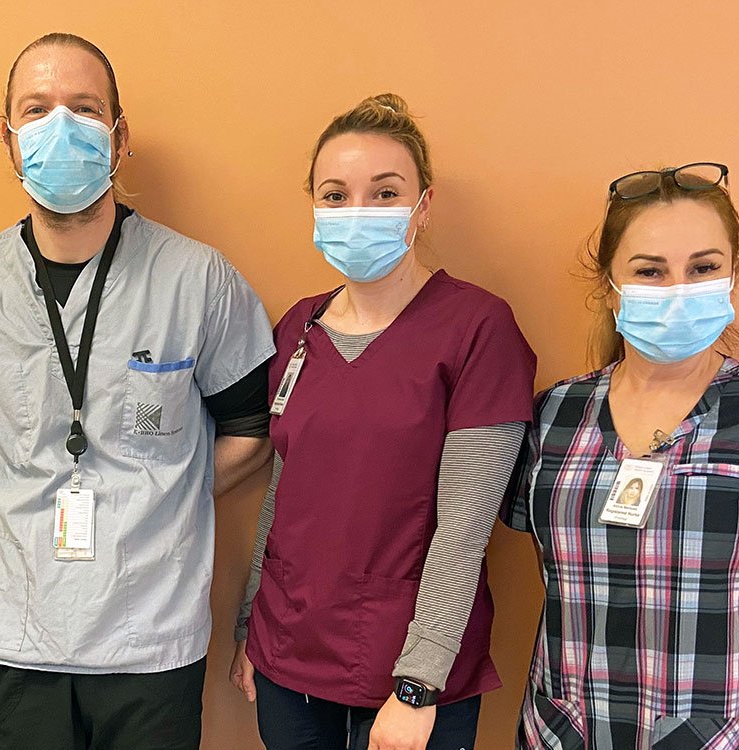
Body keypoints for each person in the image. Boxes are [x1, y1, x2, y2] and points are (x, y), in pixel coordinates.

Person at [0, 33, 275, 750]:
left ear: (119, 134)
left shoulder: (197, 280)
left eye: (84, 107)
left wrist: (160, 492)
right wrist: (14, 492)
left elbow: (250, 428)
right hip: (12, 637)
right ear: (8, 139)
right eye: (36, 110)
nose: (59, 127)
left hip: (151, 635)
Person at [504, 163, 739, 749]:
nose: (678, 290)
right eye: (650, 271)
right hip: (568, 728)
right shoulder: (553, 415)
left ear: (731, 274)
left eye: (703, 268)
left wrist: (730, 698)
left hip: (725, 733)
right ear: (610, 283)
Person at [229, 94, 537, 750]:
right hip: (286, 656)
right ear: (313, 206)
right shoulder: (299, 327)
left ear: (423, 205)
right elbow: (283, 494)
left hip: (407, 675)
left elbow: (463, 531)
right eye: (336, 195)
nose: (358, 212)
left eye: (385, 192)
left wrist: (419, 686)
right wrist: (250, 631)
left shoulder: (478, 330)